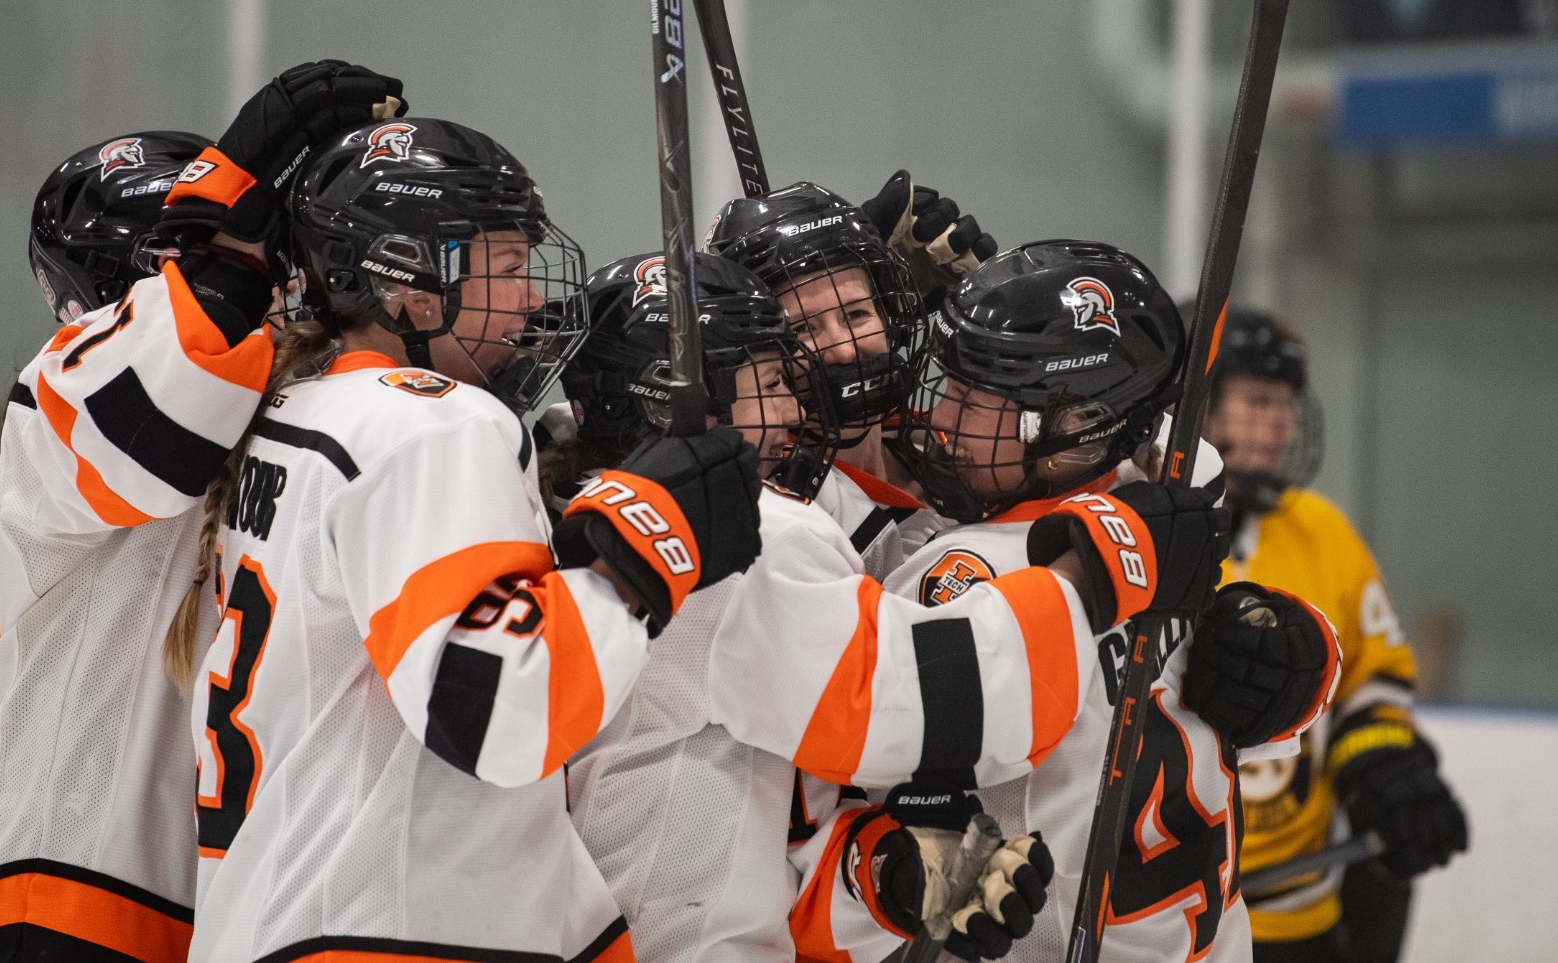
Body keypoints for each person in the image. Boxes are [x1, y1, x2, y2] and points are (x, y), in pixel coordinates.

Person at [168, 118, 766, 963]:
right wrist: (641, 550)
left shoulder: (290, 412)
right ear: (410, 286)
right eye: (510, 266)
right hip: (388, 936)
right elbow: (491, 709)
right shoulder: (432, 423)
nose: (531, 299)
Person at [0, 62, 399, 963]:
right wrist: (234, 187)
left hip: (217, 911)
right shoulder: (66, 387)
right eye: (232, 251)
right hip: (60, 903)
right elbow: (165, 408)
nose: (265, 279)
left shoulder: (277, 412)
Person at [808, 242, 1343, 963]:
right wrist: (1307, 656)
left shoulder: (964, 570)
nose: (940, 416)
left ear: (1073, 427)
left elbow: (839, 780)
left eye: (972, 398)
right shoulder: (1173, 514)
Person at [552, 250, 1073, 962]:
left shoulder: (582, 509)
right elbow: (948, 708)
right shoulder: (745, 533)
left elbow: (770, 817)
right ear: (674, 400)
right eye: (770, 383)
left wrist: (894, 876)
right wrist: (1100, 568)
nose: (795, 410)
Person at [1202, 309, 1467, 963]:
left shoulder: (1323, 532)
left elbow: (1370, 682)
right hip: (1171, 917)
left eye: (1286, 405)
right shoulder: (1132, 532)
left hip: (1299, 913)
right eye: (1259, 401)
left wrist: (1383, 766)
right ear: (1197, 407)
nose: (1281, 423)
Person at [705, 174, 993, 578]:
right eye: (803, 329)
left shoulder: (942, 444)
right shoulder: (775, 506)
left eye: (856, 314)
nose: (843, 349)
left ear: (891, 316)